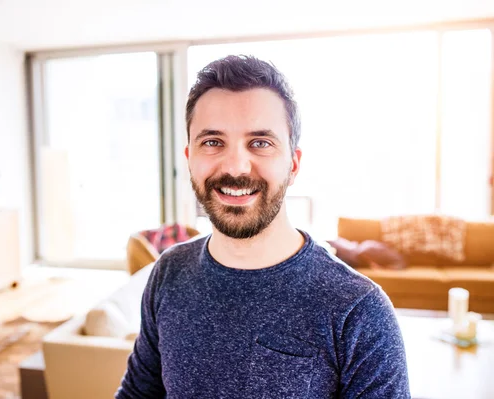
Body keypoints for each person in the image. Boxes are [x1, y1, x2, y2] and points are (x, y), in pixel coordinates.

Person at [116, 55, 410, 398]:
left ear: (293, 164)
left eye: (260, 143)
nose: (237, 167)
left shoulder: (359, 310)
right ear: (189, 158)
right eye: (212, 141)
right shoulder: (168, 272)